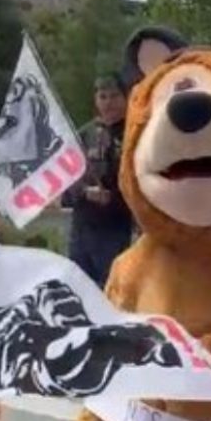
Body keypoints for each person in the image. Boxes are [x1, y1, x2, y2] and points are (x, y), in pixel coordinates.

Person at [62, 74, 133, 287]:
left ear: (125, 97)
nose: (108, 103)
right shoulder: (85, 135)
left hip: (115, 226)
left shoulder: (134, 132)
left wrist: (113, 198)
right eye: (103, 97)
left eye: (114, 96)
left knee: (112, 287)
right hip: (83, 226)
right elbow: (67, 179)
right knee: (79, 288)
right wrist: (84, 192)